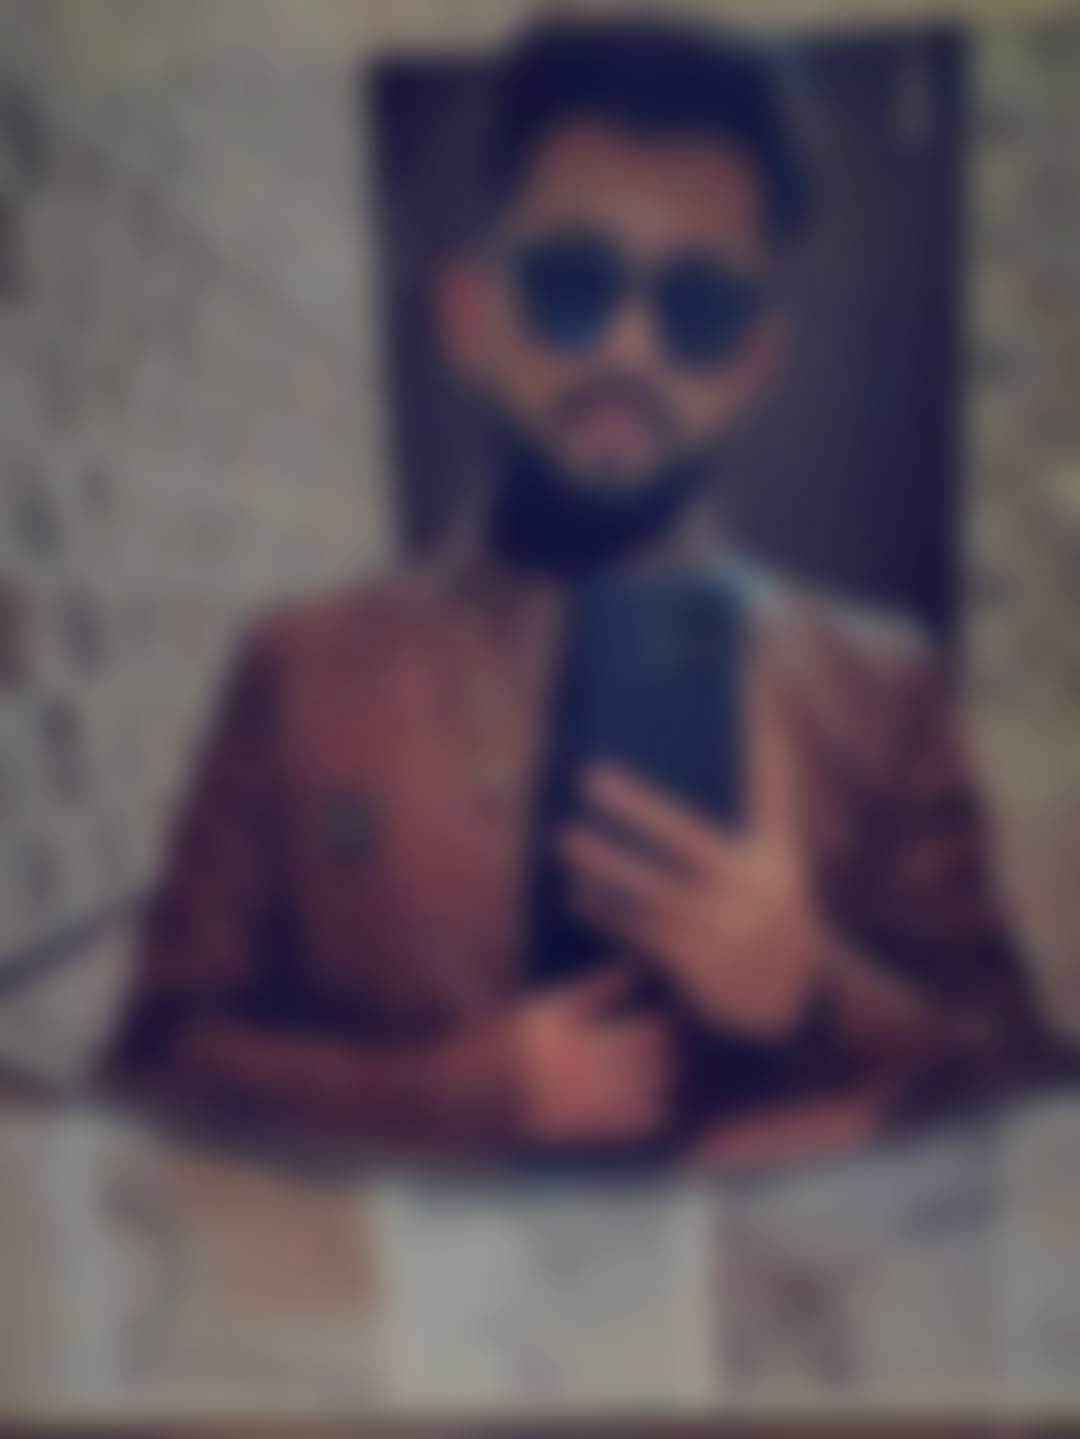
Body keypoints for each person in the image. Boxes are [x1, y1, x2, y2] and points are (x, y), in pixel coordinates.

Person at [101, 16, 1053, 1167]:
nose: (629, 349)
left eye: (696, 307)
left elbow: (1024, 1087)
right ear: (471, 316)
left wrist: (815, 987)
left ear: (751, 360)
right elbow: (151, 1064)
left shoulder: (879, 690)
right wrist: (451, 1093)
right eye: (571, 285)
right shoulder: (301, 671)